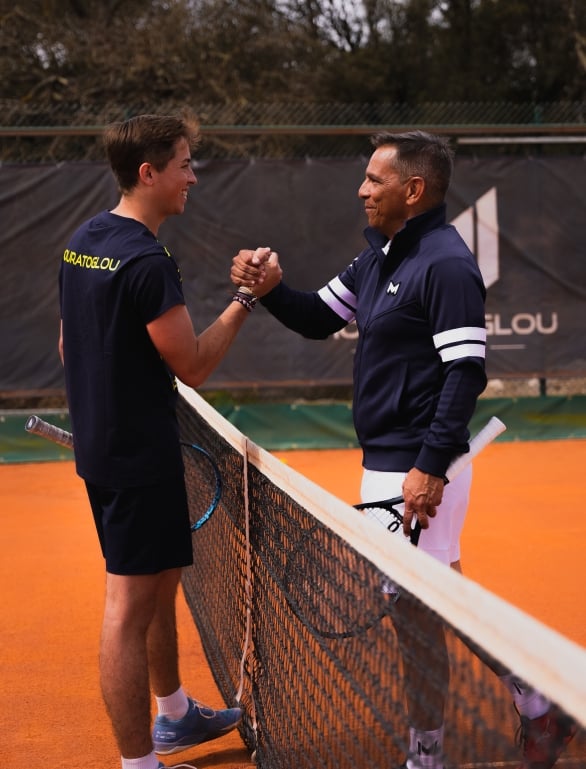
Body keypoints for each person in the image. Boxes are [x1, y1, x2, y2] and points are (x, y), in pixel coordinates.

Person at [230, 130, 577, 769]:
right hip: (389, 462)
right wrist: (272, 288)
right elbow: (317, 318)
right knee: (429, 598)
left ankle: (431, 752)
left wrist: (429, 465)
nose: (362, 189)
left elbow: (466, 371)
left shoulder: (444, 263)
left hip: (418, 465)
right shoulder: (380, 257)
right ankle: (535, 704)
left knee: (415, 613)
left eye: (374, 179)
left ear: (411, 190)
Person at [58, 113, 264, 769]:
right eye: (183, 163)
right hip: (137, 456)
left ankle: (174, 714)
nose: (192, 176)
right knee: (127, 608)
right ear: (149, 173)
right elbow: (195, 364)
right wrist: (245, 299)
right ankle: (139, 764)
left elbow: (70, 345)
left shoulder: (83, 238)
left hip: (106, 447)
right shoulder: (148, 261)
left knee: (161, 580)